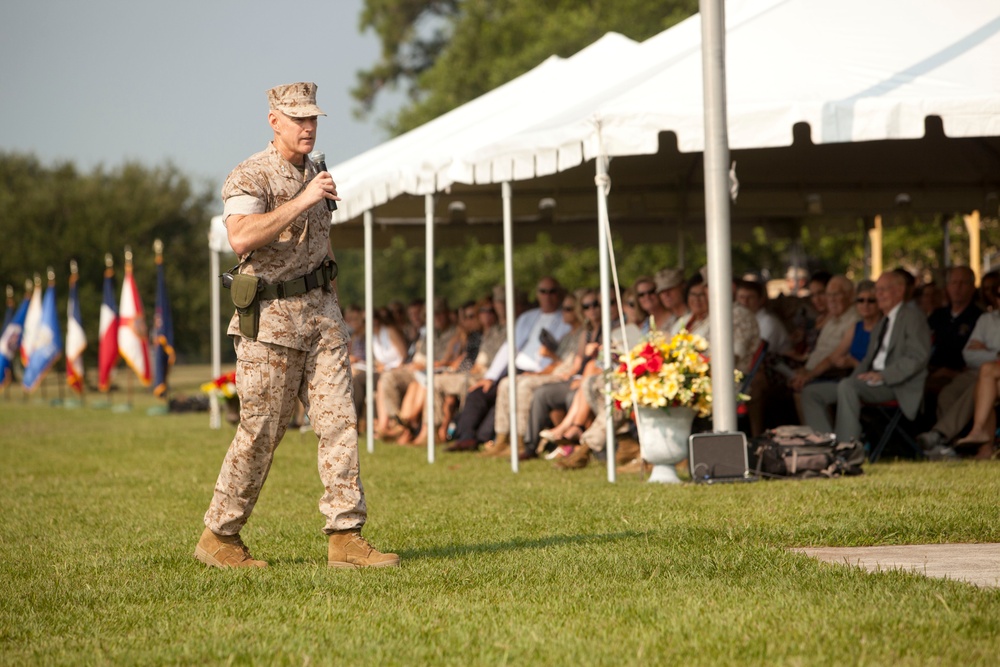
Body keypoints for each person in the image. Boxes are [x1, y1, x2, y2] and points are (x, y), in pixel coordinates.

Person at [195, 82, 398, 569]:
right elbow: (240, 238)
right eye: (298, 118)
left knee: (339, 424)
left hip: (321, 317)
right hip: (269, 323)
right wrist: (305, 199)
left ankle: (346, 536)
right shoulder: (252, 174)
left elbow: (321, 247)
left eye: (313, 118)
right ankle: (220, 535)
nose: (308, 126)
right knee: (262, 430)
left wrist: (335, 303)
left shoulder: (317, 172)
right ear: (274, 120)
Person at [800, 270, 931, 444]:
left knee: (848, 386)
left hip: (896, 383)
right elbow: (868, 360)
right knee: (811, 393)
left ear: (899, 291)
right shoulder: (883, 322)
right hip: (868, 382)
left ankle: (846, 449)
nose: (879, 295)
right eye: (878, 290)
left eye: (884, 290)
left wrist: (883, 375)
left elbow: (917, 357)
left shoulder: (912, 317)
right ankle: (824, 445)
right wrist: (856, 378)